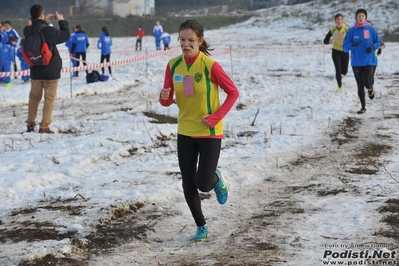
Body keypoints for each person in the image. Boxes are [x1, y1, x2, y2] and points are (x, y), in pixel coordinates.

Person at [159, 19, 239, 241]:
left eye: (190, 40)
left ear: (200, 41)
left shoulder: (210, 66)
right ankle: (201, 226)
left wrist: (215, 118)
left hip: (209, 131)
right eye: (182, 39)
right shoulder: (173, 65)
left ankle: (216, 179)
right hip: (185, 129)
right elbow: (167, 99)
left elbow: (233, 93)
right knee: (187, 180)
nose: (185, 44)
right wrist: (164, 98)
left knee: (203, 182)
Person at [24, 4, 70, 133]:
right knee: (49, 98)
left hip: (35, 69)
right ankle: (44, 126)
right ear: (42, 14)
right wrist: (61, 21)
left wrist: (45, 22)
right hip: (50, 70)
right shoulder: (47, 31)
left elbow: (35, 26)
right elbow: (65, 35)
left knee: (34, 97)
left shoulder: (28, 30)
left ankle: (30, 124)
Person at [343, 9, 380, 114]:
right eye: (359, 16)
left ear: (365, 18)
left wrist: (373, 47)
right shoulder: (351, 31)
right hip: (356, 62)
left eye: (363, 16)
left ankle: (370, 88)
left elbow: (378, 41)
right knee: (359, 84)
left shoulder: (371, 29)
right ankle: (363, 107)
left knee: (367, 81)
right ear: (356, 18)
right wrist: (353, 45)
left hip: (369, 61)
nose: (361, 17)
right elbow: (345, 47)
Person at [323, 13, 349, 92]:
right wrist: (329, 41)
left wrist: (345, 44)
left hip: (344, 51)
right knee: (338, 69)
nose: (339, 21)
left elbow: (351, 39)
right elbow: (325, 40)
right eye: (337, 19)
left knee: (344, 71)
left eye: (340, 19)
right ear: (335, 21)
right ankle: (339, 86)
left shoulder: (346, 29)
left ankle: (341, 75)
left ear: (342, 20)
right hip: (335, 51)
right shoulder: (333, 30)